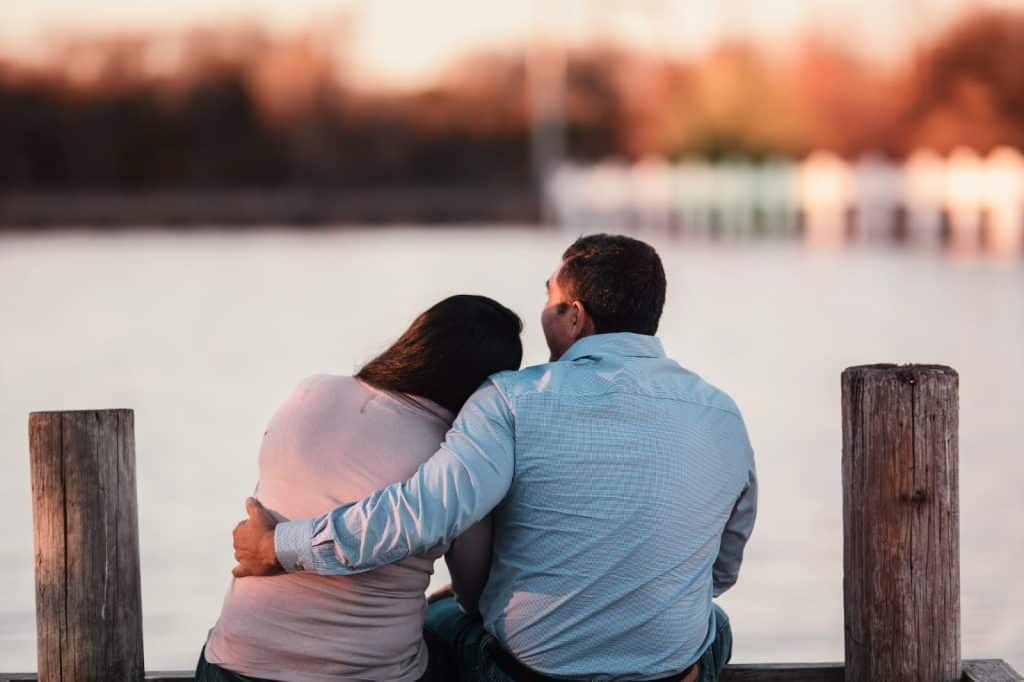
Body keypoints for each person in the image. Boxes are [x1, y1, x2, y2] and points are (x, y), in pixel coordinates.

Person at [233, 234, 757, 681]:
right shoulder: (722, 413)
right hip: (668, 672)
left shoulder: (509, 399)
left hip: (527, 673)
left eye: (549, 300)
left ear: (574, 317)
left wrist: (281, 545)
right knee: (716, 623)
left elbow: (422, 512)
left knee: (437, 623)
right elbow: (720, 568)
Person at [197, 295, 523, 682]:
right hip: (367, 674)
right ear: (482, 387)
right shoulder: (454, 459)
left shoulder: (310, 391)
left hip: (230, 666)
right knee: (458, 628)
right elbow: (474, 596)